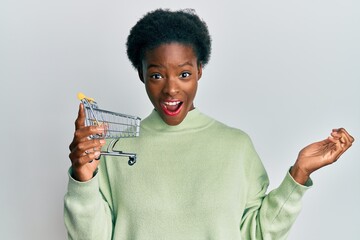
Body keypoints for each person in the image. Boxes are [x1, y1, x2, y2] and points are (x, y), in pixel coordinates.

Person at [64, 9, 354, 240]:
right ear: (141, 74)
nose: (171, 90)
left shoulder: (235, 147)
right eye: (156, 75)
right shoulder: (115, 149)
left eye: (184, 74)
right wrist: (83, 179)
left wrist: (300, 173)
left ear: (200, 71)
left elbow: (258, 234)